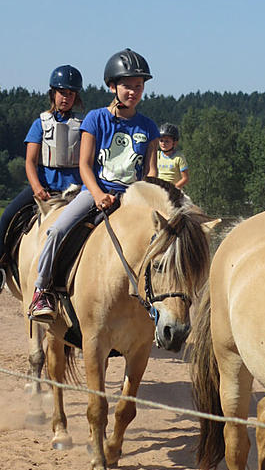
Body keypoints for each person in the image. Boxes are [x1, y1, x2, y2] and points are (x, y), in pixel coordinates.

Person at [28, 48, 160, 320]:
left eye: (138, 86)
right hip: (96, 192)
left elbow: (151, 171)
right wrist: (98, 194)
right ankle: (43, 291)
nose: (133, 91)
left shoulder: (148, 127)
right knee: (56, 231)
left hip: (133, 199)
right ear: (112, 86)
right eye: (126, 85)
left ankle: (162, 304)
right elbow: (84, 165)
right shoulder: (95, 119)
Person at [0, 65, 84, 288]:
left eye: (70, 94)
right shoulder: (40, 124)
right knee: (7, 216)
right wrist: (36, 187)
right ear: (53, 93)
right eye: (62, 92)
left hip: (75, 190)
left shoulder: (84, 126)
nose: (65, 98)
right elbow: (30, 161)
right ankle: (1, 263)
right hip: (45, 188)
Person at [156, 123, 189, 189]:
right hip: (159, 190)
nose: (163, 143)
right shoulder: (157, 155)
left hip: (174, 191)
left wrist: (173, 189)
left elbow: (185, 178)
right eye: (161, 140)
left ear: (175, 142)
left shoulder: (179, 158)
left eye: (167, 141)